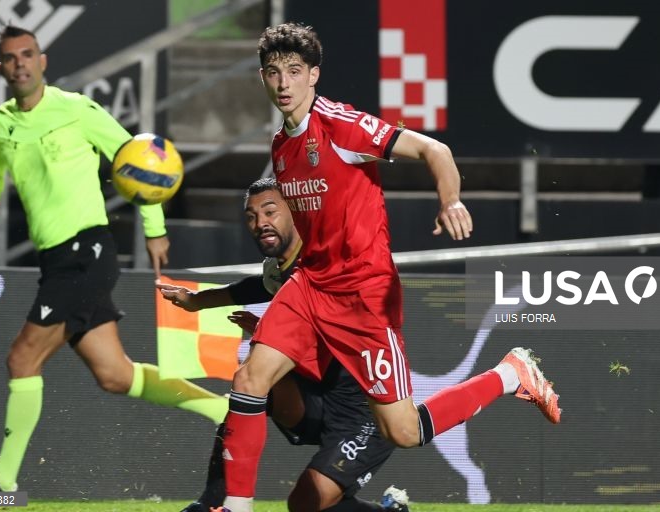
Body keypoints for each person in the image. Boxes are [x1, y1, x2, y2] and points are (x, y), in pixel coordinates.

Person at [216, 23, 562, 512]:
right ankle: (234, 506)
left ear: (314, 75)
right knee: (250, 379)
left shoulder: (340, 126)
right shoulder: (281, 147)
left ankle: (510, 373)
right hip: (311, 286)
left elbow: (433, 150)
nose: (284, 83)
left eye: (294, 72)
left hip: (363, 296)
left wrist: (451, 201)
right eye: (273, 73)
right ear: (263, 78)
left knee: (401, 430)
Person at [0, 25, 228, 494]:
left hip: (86, 251)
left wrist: (154, 230)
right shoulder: (1, 124)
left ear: (43, 60)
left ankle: (2, 481)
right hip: (56, 261)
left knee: (21, 359)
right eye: (11, 58)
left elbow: (139, 160)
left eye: (28, 54)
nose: (21, 64)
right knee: (116, 375)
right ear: (1, 68)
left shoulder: (76, 110)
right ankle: (223, 411)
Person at [158, 177, 409, 512]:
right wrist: (196, 301)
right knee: (248, 392)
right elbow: (253, 288)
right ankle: (214, 503)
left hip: (365, 414)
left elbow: (335, 338)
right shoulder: (279, 270)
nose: (261, 222)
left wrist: (267, 331)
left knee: (305, 505)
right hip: (316, 400)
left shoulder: (326, 267)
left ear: (296, 213)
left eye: (270, 211)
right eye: (251, 216)